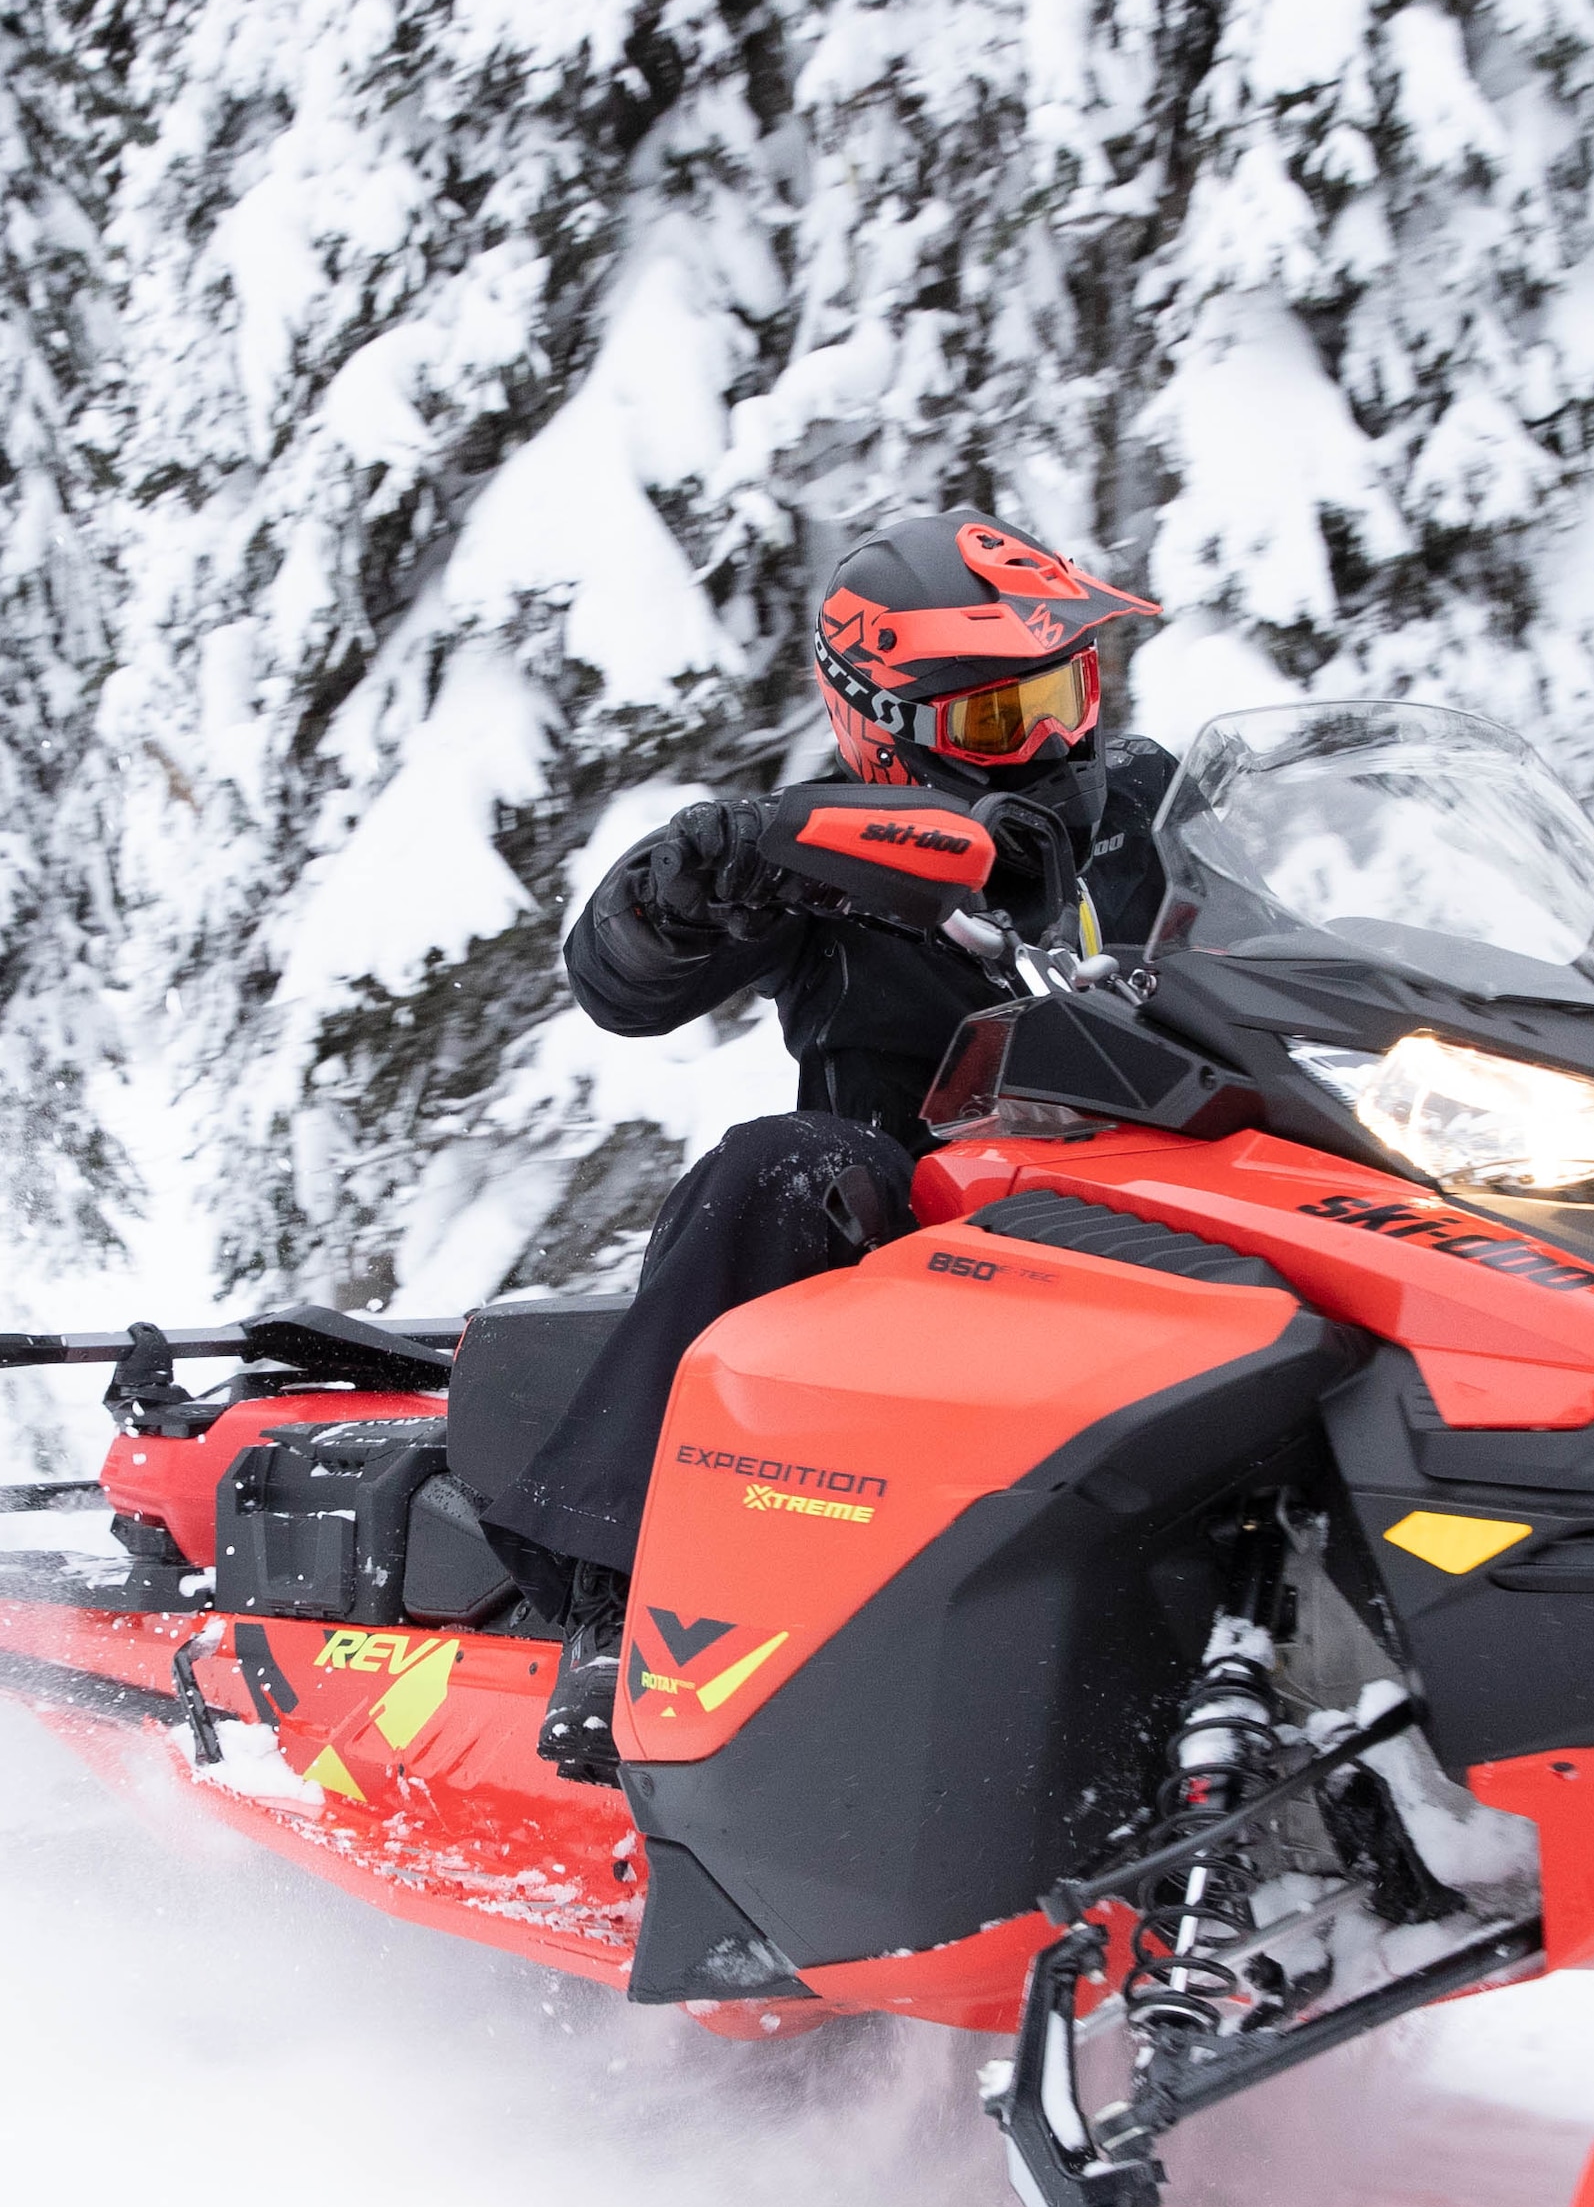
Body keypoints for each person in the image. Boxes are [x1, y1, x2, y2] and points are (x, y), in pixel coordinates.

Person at [474, 508, 1169, 1776]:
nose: (1052, 741)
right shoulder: (832, 846)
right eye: (998, 723)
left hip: (1174, 1193)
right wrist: (709, 871)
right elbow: (620, 983)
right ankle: (611, 1601)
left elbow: (1278, 924)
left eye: (1065, 694)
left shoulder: (1149, 805)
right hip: (926, 1231)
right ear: (882, 725)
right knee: (782, 1165)